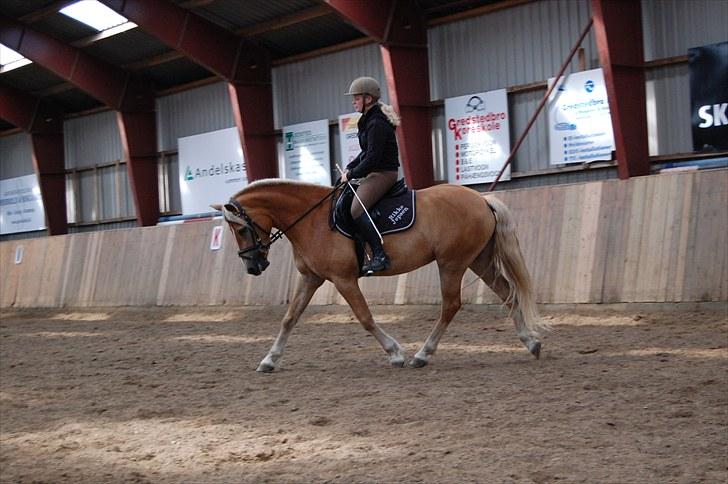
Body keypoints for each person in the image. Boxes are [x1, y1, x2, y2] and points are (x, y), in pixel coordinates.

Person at [341, 76, 401, 275]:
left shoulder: (376, 123)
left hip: (384, 173)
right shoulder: (368, 120)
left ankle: (379, 255)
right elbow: (365, 152)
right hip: (375, 170)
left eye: (356, 97)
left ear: (368, 99)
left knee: (356, 209)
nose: (353, 101)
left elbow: (373, 158)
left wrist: (353, 174)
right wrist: (349, 168)